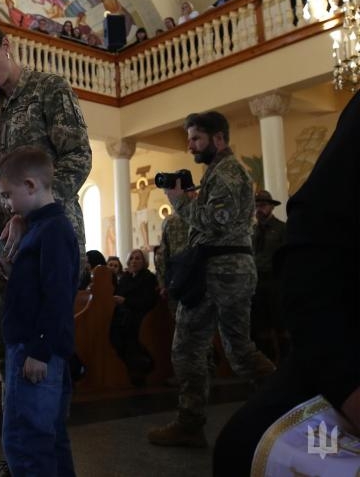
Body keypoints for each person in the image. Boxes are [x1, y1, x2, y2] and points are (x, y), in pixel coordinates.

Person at [213, 89, 360, 477]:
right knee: (246, 437)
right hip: (273, 293)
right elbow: (311, 259)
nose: (260, 210)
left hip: (253, 285)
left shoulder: (264, 219)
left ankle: (261, 375)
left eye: (263, 206)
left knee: (248, 347)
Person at [0, 20, 91, 379]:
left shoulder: (50, 90)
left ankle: (44, 430)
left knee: (43, 347)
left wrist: (31, 214)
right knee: (2, 346)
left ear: (6, 46)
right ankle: (13, 429)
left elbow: (78, 158)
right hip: (4, 248)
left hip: (47, 239)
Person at [147, 111, 275, 448]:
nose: (190, 146)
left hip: (225, 271)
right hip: (219, 271)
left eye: (196, 139)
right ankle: (193, 421)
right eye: (189, 139)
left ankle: (285, 403)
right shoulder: (219, 173)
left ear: (218, 139)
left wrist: (180, 204)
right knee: (215, 348)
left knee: (219, 350)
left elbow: (216, 222)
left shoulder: (229, 174)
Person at [0, 147, 78, 476]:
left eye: (7, 195)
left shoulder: (53, 230)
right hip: (32, 344)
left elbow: (57, 296)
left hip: (35, 349)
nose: (6, 204)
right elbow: (37, 285)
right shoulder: (39, 227)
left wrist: (40, 349)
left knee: (25, 440)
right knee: (50, 439)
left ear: (30, 185)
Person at [110, 249, 159, 387]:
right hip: (123, 313)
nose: (133, 261)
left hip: (141, 314)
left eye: (138, 258)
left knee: (128, 331)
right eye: (131, 258)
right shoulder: (125, 277)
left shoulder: (148, 278)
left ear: (144, 262)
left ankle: (138, 369)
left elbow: (147, 301)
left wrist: (125, 301)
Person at [250, 190, 288, 364]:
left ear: (271, 207)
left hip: (275, 283)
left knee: (281, 327)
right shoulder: (251, 232)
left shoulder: (282, 229)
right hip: (257, 284)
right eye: (256, 206)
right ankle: (268, 365)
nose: (259, 210)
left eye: (263, 206)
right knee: (261, 329)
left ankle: (287, 363)